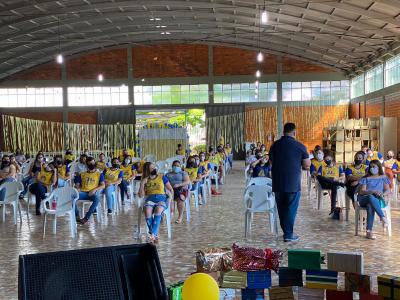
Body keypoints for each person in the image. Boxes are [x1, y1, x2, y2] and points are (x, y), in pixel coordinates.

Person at [269, 123, 311, 242]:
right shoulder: (300, 146)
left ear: (283, 131)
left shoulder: (275, 145)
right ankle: (288, 234)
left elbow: (271, 161)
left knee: (281, 208)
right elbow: (307, 164)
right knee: (291, 209)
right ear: (294, 132)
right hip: (292, 183)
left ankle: (286, 232)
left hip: (277, 182)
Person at [139, 162, 173, 243]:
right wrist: (142, 184)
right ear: (147, 170)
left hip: (162, 199)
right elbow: (141, 195)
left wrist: (171, 203)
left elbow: (171, 189)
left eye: (154, 167)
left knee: (158, 210)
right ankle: (154, 234)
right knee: (147, 210)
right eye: (151, 168)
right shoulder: (145, 180)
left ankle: (152, 234)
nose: (154, 169)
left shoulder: (162, 177)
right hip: (150, 199)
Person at [357, 160, 390, 239]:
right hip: (364, 198)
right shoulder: (366, 178)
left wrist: (383, 194)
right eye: (370, 167)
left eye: (374, 167)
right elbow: (362, 191)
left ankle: (369, 232)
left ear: (379, 167)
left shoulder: (383, 177)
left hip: (377, 200)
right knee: (370, 196)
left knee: (370, 206)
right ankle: (382, 217)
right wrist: (372, 191)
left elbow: (387, 190)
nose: (372, 168)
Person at [74, 157, 105, 224]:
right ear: (87, 164)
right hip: (83, 193)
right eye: (90, 163)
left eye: (93, 162)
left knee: (97, 198)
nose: (92, 164)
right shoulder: (82, 174)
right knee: (72, 196)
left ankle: (86, 218)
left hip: (92, 193)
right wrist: (78, 188)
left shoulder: (99, 174)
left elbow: (103, 185)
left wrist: (94, 190)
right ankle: (77, 215)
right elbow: (77, 184)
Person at [316, 150, 346, 216]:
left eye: (328, 159)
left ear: (332, 159)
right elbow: (318, 175)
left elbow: (343, 176)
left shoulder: (338, 167)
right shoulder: (322, 167)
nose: (327, 160)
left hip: (334, 183)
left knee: (334, 185)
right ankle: (337, 183)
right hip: (325, 184)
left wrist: (337, 179)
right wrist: (330, 179)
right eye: (325, 159)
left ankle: (333, 208)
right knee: (319, 177)